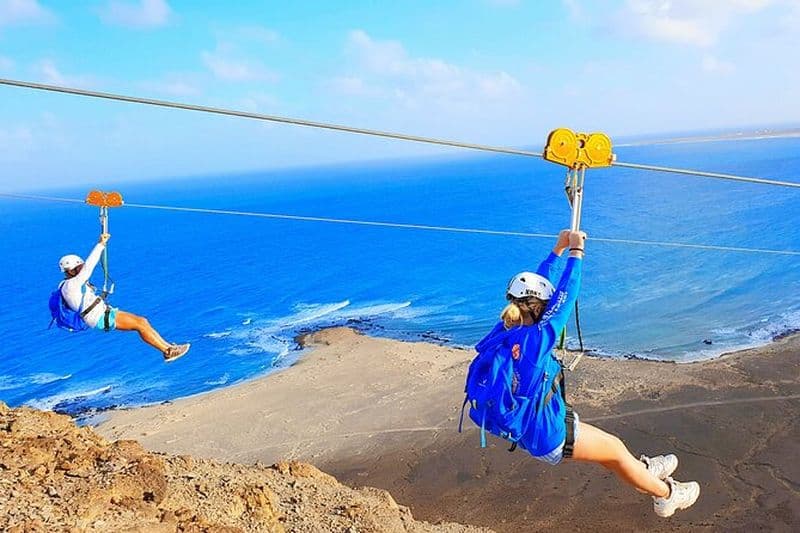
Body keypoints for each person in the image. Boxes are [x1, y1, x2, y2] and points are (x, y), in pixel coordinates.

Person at [466, 229, 699, 518]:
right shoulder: (536, 341)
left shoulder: (506, 330)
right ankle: (667, 495)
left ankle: (646, 471)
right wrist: (576, 253)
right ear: (540, 309)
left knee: (614, 453)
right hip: (548, 433)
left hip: (536, 425)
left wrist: (557, 250)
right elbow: (564, 299)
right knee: (615, 452)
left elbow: (540, 291)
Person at [57, 233, 190, 362]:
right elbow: (89, 267)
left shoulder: (66, 285)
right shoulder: (72, 284)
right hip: (99, 316)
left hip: (100, 314)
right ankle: (168, 351)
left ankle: (169, 348)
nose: (81, 269)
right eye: (78, 267)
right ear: (71, 270)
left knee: (142, 322)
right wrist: (101, 244)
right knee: (140, 324)